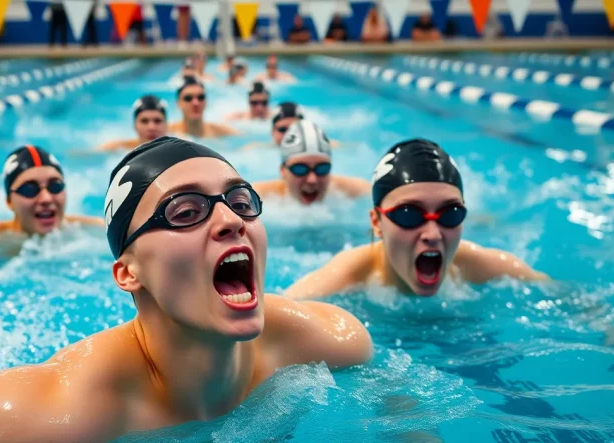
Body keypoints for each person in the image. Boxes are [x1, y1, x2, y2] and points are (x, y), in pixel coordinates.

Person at [0, 137, 374, 443]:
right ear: (129, 274)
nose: (231, 220)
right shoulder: (60, 413)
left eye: (240, 202)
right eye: (185, 211)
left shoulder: (329, 340)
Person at [286, 139, 547, 299]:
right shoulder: (339, 282)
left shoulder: (492, 269)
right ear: (376, 222)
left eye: (450, 214)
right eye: (409, 215)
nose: (432, 234)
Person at [252, 121, 370, 205]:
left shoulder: (352, 189)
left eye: (322, 168)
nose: (312, 180)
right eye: (300, 169)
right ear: (282, 171)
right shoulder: (260, 195)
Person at [169, 76, 239, 138]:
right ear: (178, 103)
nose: (196, 103)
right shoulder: (169, 132)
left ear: (206, 102)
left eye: (201, 97)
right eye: (188, 98)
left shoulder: (219, 131)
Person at [97, 95, 168, 152]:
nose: (151, 127)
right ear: (135, 125)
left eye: (157, 121)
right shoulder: (117, 149)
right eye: (144, 121)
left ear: (166, 125)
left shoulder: (177, 149)